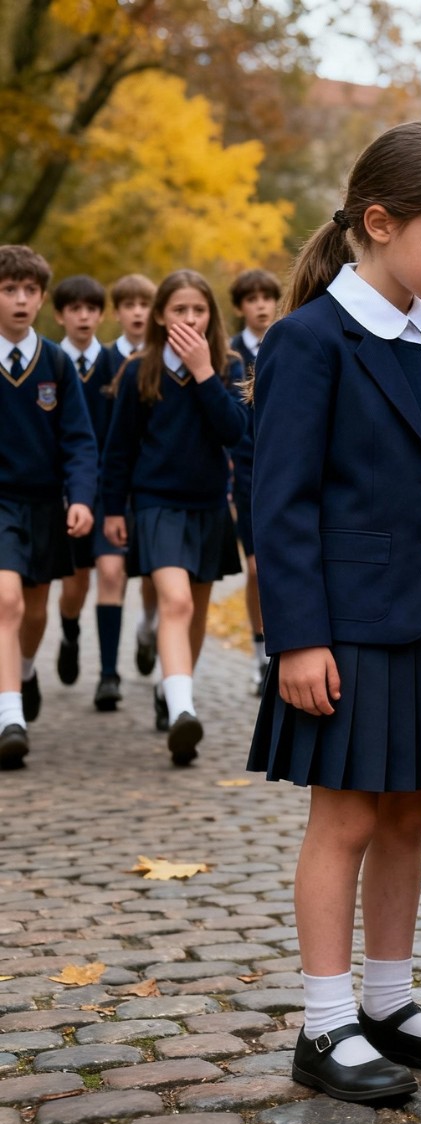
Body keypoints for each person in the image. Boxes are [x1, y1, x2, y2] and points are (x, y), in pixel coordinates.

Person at [247, 121, 421, 1103]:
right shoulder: (310, 341)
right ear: (379, 223)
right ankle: (325, 1025)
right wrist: (297, 637)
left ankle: (390, 1003)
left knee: (409, 814)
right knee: (346, 820)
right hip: (345, 625)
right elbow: (280, 503)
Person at [101, 269, 247, 766]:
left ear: (211, 315)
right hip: (156, 505)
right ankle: (185, 712)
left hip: (209, 506)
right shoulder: (140, 370)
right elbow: (117, 450)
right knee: (176, 602)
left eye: (198, 310)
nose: (189, 318)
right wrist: (112, 511)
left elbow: (234, 432)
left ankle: (171, 689)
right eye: (179, 309)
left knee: (197, 613)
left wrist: (205, 372)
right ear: (162, 315)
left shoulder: (227, 365)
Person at [0, 246, 97, 768]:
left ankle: (27, 669)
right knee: (6, 600)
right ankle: (9, 716)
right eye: (9, 290)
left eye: (29, 291)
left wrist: (80, 498)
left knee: (35, 609)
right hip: (0, 505)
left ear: (41, 297)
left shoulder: (56, 363)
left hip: (44, 506)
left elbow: (79, 440)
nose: (20, 300)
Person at [51, 274, 123, 709]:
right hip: (63, 493)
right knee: (75, 585)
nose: (83, 316)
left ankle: (110, 675)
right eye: (75, 309)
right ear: (60, 314)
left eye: (91, 309)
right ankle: (70, 630)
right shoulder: (49, 362)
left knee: (112, 574)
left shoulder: (116, 365)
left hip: (107, 490)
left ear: (100, 314)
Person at [102, 273, 159, 681]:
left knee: (157, 576)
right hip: (114, 483)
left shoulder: (165, 358)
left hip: (156, 487)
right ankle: (108, 673)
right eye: (129, 305)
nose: (138, 312)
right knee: (110, 572)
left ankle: (148, 630)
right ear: (118, 312)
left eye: (145, 305)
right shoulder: (103, 361)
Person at [228, 267, 281, 696]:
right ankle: (259, 652)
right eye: (252, 298)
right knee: (256, 568)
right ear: (240, 306)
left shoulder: (288, 342)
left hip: (283, 469)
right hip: (243, 473)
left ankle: (283, 649)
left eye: (267, 297)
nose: (261, 305)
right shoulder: (226, 356)